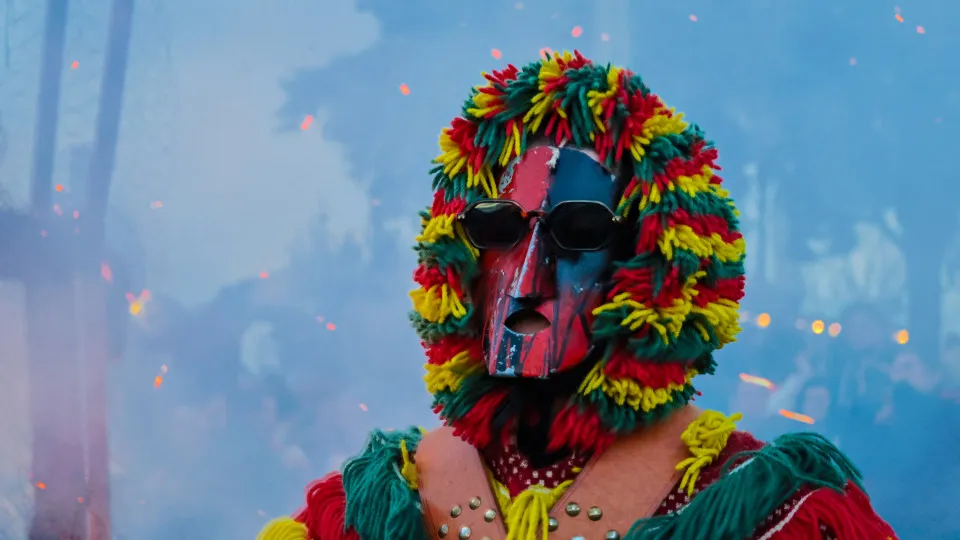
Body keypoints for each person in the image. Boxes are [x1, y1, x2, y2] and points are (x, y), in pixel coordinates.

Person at [256, 51, 896, 540]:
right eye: (499, 229)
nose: (527, 278)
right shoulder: (382, 502)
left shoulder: (765, 506)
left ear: (655, 266)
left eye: (579, 231)